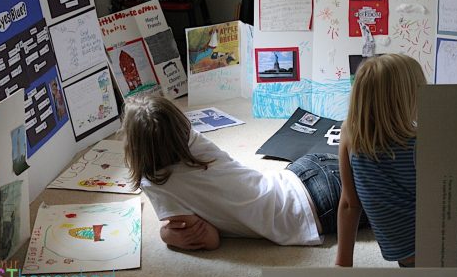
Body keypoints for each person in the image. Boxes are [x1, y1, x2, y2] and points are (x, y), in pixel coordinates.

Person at [120, 95, 348, 250]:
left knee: (382, 193)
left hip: (314, 208)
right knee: (375, 164)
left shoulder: (156, 184)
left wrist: (166, 235)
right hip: (303, 171)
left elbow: (209, 239)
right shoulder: (193, 142)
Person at [335, 54, 427, 268]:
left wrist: (343, 263)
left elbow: (349, 203)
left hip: (405, 257)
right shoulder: (420, 143)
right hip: (434, 250)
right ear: (406, 98)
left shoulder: (350, 132)